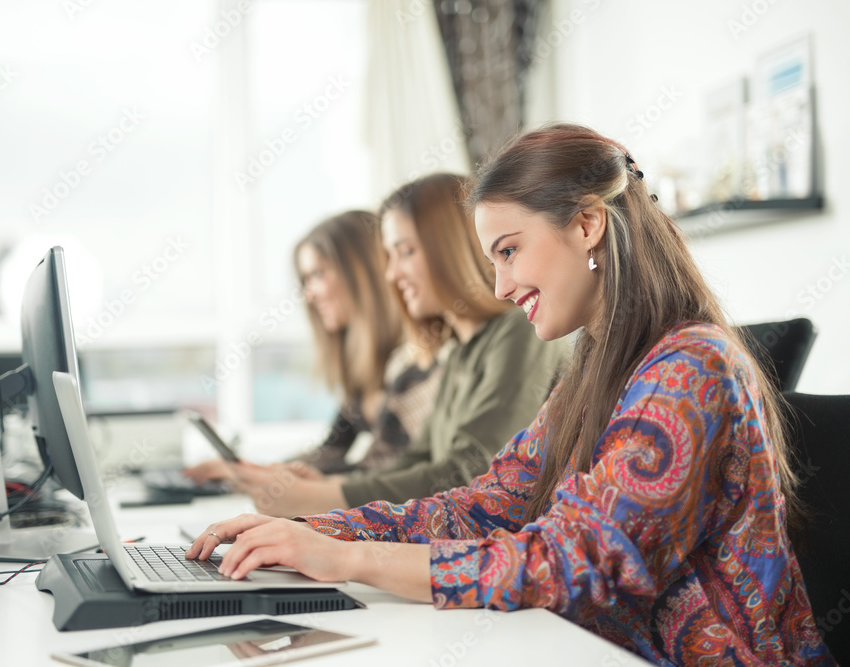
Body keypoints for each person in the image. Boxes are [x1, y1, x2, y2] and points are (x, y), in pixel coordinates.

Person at [187, 125, 832, 665]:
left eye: (509, 251)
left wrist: (349, 558)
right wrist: (303, 532)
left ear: (587, 225)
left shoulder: (693, 367)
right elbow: (485, 507)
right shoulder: (598, 368)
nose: (499, 287)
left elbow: (571, 564)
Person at [197, 174, 566, 518]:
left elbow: (467, 472)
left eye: (405, 252)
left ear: (448, 249)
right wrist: (331, 485)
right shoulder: (461, 351)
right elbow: (419, 460)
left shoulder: (518, 332)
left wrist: (328, 497)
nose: (391, 274)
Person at [187, 210, 449, 485]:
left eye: (318, 274)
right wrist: (248, 471)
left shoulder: (419, 360)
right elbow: (331, 450)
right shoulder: (362, 369)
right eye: (305, 280)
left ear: (362, 271)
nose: (309, 294)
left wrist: (265, 478)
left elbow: (377, 470)